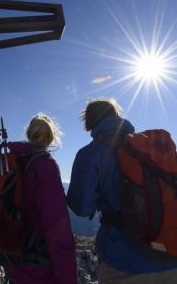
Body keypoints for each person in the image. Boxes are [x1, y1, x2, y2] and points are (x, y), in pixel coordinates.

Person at [67, 98, 177, 284]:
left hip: (124, 261)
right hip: (171, 255)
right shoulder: (149, 148)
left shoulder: (90, 154)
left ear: (89, 122)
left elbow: (82, 208)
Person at [5, 113, 78, 284]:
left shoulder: (12, 161)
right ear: (50, 138)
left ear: (29, 135)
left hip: (13, 262)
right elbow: (56, 228)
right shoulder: (46, 166)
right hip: (39, 269)